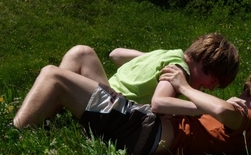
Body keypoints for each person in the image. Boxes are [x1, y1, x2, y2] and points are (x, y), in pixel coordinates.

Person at [13, 64, 251, 155]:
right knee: (80, 57)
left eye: (248, 94)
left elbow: (220, 108)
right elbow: (217, 114)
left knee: (54, 76)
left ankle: (14, 135)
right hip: (144, 135)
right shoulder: (246, 135)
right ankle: (43, 121)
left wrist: (182, 85)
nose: (241, 97)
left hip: (143, 129)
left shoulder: (248, 119)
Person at [59, 33, 240, 115]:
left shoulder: (169, 56)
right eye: (214, 81)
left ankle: (54, 110)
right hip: (113, 109)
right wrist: (210, 108)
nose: (211, 88)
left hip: (104, 95)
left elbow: (116, 54)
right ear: (204, 62)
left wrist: (152, 58)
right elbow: (160, 103)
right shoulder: (180, 69)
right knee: (81, 53)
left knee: (81, 53)